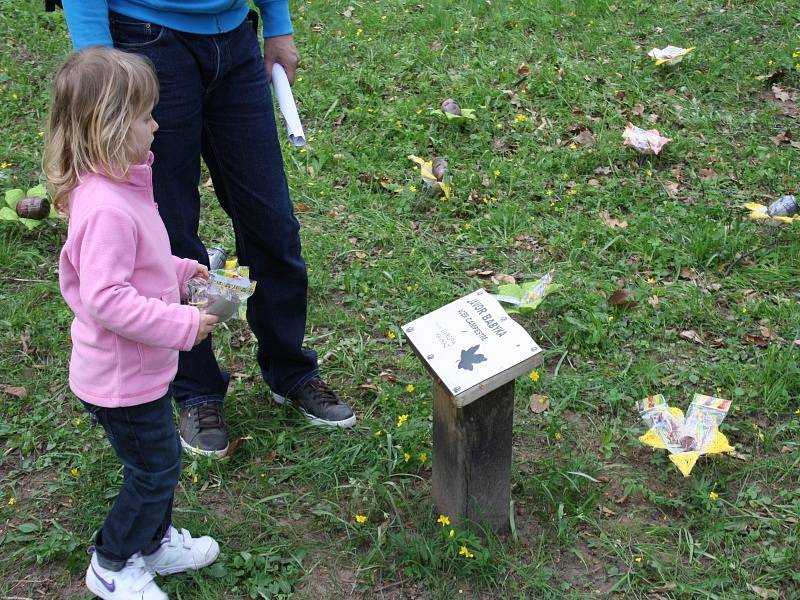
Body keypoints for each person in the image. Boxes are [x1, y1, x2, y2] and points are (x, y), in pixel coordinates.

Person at [60, 0, 356, 459]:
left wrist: (278, 25)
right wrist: (103, 73)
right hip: (146, 39)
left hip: (235, 38)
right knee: (168, 232)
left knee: (271, 222)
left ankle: (290, 370)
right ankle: (196, 391)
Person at [44, 47, 221, 600]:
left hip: (140, 371)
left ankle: (153, 541)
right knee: (153, 470)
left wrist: (183, 271)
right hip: (120, 380)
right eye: (146, 115)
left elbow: (141, 264)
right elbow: (107, 298)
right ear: (113, 127)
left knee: (160, 463)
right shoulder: (106, 209)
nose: (156, 124)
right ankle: (113, 561)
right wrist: (184, 324)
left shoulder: (125, 187)